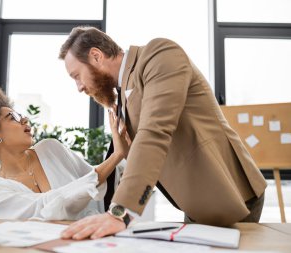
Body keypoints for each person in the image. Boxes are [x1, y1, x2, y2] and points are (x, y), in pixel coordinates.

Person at [58, 26, 267, 240]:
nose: (79, 87)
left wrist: (120, 213)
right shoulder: (122, 95)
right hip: (197, 199)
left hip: (228, 192)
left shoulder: (160, 55)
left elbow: (154, 132)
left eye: (77, 76)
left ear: (96, 56)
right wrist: (121, 151)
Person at [0, 84, 129, 220]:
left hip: (96, 241)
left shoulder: (50, 148)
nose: (24, 119)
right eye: (13, 117)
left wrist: (126, 151)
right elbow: (48, 208)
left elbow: (97, 180)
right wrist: (116, 155)